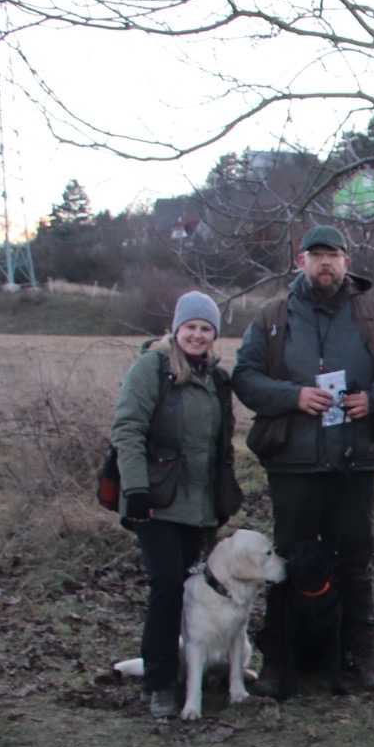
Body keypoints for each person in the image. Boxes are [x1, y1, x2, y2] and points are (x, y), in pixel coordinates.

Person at [232, 225, 374, 691]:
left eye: (332, 255)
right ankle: (278, 658)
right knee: (286, 562)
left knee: (356, 560)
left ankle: (363, 653)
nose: (324, 263)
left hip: (356, 458)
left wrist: (373, 398)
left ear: (346, 262)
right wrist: (293, 396)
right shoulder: (273, 316)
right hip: (294, 460)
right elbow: (244, 376)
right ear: (301, 262)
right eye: (316, 255)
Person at [111, 291, 244, 718]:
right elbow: (128, 430)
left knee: (188, 592)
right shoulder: (152, 368)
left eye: (206, 328)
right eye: (190, 327)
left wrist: (222, 498)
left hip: (199, 506)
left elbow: (220, 445)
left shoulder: (217, 380)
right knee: (167, 586)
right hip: (155, 500)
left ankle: (190, 675)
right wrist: (136, 490)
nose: (198, 335)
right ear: (175, 328)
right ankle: (159, 683)